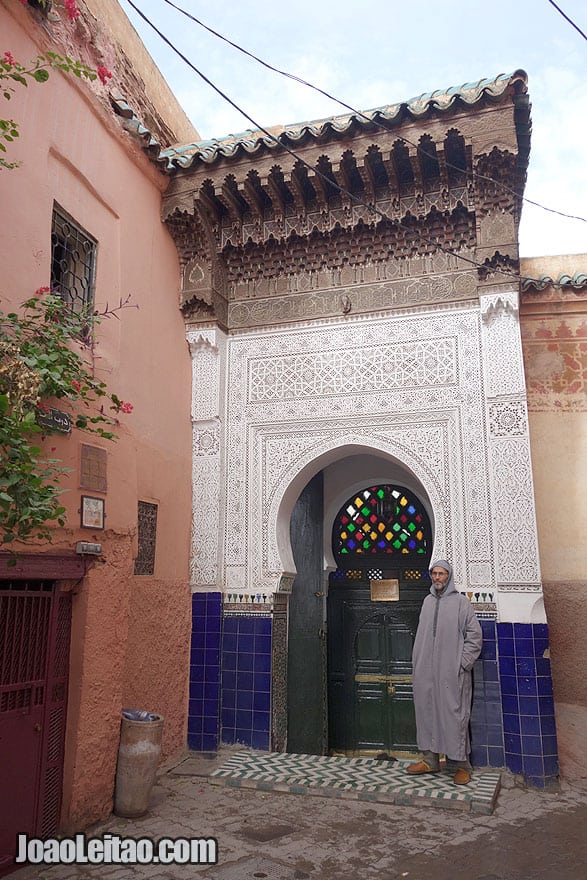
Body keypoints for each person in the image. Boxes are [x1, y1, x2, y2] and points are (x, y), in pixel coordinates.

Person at [406, 559, 483, 785]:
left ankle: (461, 765)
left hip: (452, 674)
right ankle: (430, 760)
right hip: (426, 673)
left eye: (442, 574)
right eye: (435, 574)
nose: (438, 578)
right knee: (426, 713)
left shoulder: (461, 603)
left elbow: (474, 637)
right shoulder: (427, 602)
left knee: (454, 716)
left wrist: (462, 664)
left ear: (448, 576)